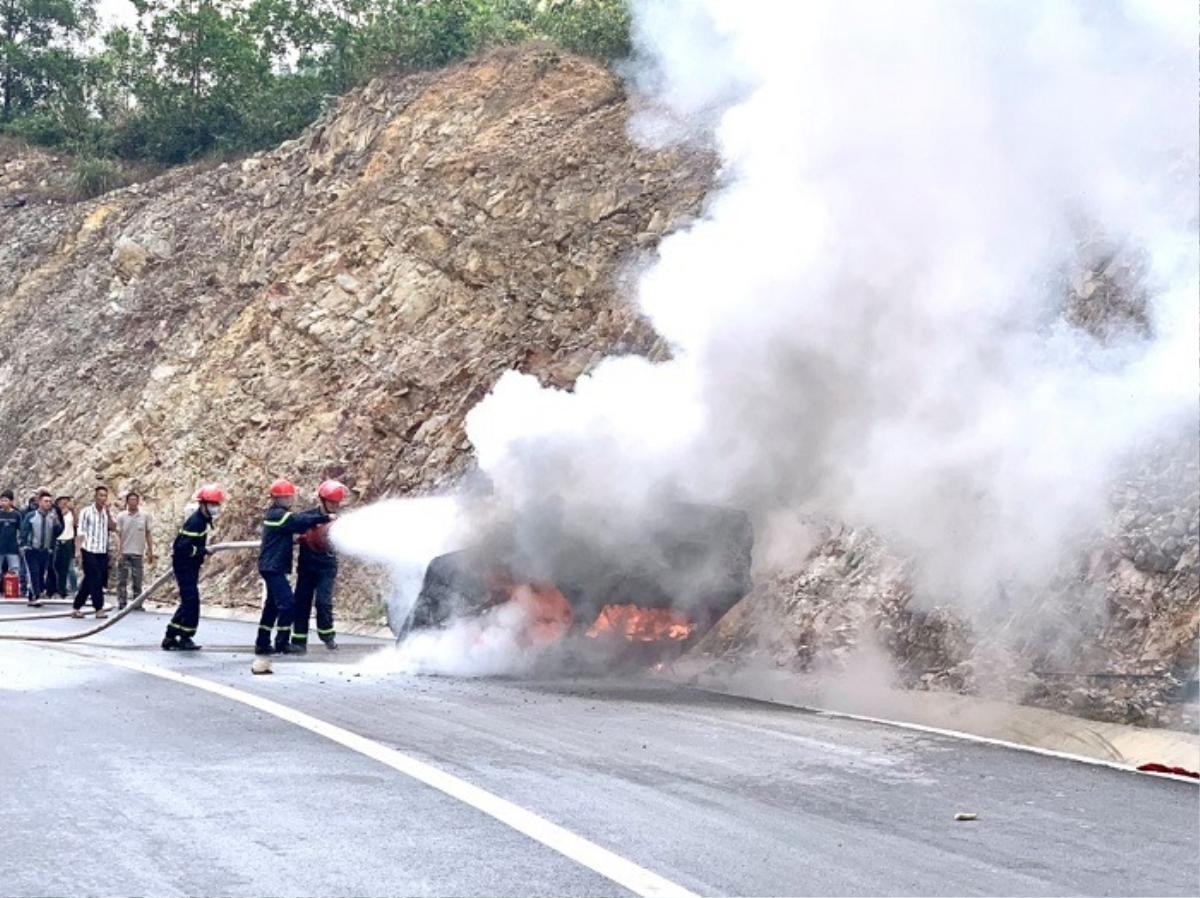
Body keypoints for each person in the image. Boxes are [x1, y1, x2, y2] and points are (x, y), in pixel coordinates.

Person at [255, 479, 332, 656]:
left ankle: (262, 642)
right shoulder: (278, 515)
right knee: (288, 604)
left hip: (272, 566)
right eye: (285, 497)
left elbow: (283, 534)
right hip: (273, 567)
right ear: (276, 499)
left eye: (289, 497)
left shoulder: (277, 516)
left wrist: (297, 540)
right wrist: (325, 517)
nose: (289, 500)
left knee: (272, 606)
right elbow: (299, 521)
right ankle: (282, 643)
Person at [162, 484, 224, 651]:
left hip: (189, 567)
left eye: (217, 504)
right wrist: (202, 551)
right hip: (184, 567)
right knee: (192, 602)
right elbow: (182, 548)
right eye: (212, 504)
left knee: (187, 602)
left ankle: (170, 635)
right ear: (203, 504)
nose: (215, 507)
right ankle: (185, 636)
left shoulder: (202, 521)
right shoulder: (196, 522)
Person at [291, 480, 348, 653]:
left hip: (327, 566)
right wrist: (301, 536)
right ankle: (299, 641)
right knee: (302, 603)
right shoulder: (308, 517)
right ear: (322, 500)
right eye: (332, 502)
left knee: (323, 602)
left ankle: (328, 637)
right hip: (307, 566)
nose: (335, 506)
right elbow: (295, 526)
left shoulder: (340, 522)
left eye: (337, 503)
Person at [72, 485, 116, 619]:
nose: (103, 498)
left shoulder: (106, 513)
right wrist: (78, 550)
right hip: (88, 549)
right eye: (100, 495)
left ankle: (76, 607)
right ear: (95, 497)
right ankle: (99, 608)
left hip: (102, 550)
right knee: (95, 578)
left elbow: (113, 527)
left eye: (105, 496)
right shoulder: (86, 512)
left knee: (91, 579)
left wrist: (108, 513)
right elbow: (80, 531)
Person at [116, 491, 154, 611]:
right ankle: (122, 602)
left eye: (135, 500)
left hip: (138, 552)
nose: (133, 502)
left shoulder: (145, 516)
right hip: (124, 552)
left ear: (138, 501)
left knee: (137, 579)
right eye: (131, 500)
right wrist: (119, 551)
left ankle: (137, 603)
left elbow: (148, 534)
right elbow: (118, 535)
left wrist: (150, 550)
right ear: (127, 502)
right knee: (122, 579)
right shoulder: (121, 516)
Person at [20, 491, 57, 606]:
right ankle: (36, 595)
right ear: (40, 502)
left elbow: (56, 533)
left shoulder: (52, 517)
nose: (48, 504)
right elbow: (24, 531)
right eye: (46, 501)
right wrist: (23, 545)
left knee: (41, 573)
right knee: (33, 572)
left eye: (50, 502)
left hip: (45, 550)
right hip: (31, 549)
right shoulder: (31, 516)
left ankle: (32, 597)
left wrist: (57, 525)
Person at [0, 491, 23, 596]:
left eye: (6, 500)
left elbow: (21, 530)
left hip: (12, 547)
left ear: (11, 502)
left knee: (14, 569)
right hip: (0, 547)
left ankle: (14, 591)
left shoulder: (16, 515)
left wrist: (20, 544)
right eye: (2, 500)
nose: (3, 503)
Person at [53, 496, 76, 599]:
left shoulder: (71, 513)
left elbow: (76, 524)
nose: (65, 504)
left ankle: (65, 590)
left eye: (66, 502)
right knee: (56, 567)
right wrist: (62, 512)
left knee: (66, 568)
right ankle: (57, 589)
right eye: (62, 502)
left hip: (68, 541)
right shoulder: (55, 514)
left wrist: (73, 510)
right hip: (57, 541)